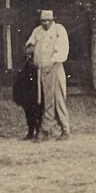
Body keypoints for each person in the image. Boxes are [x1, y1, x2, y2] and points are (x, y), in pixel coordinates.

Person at [26, 9, 70, 141]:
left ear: (53, 19)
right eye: (43, 20)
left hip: (55, 68)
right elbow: (30, 43)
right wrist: (29, 49)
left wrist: (51, 64)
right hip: (41, 70)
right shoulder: (37, 31)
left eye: (48, 20)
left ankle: (65, 129)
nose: (45, 23)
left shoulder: (59, 30)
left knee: (57, 100)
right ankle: (46, 129)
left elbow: (62, 50)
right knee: (45, 100)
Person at [12, 43, 44, 140]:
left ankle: (39, 131)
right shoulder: (24, 67)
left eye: (31, 55)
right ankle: (30, 131)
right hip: (27, 94)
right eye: (28, 54)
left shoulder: (39, 68)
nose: (29, 57)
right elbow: (19, 81)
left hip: (37, 93)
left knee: (38, 112)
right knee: (28, 113)